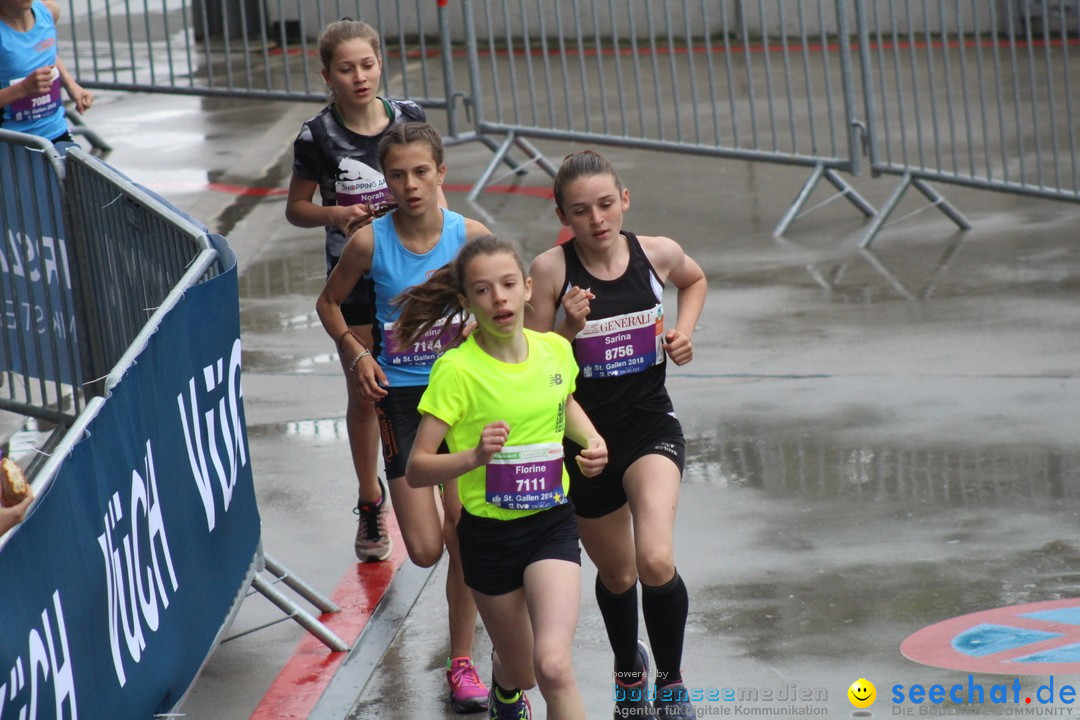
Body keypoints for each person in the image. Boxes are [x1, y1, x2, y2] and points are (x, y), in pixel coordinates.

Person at [315, 122, 491, 714]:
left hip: (462, 403)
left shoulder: (471, 239)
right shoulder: (370, 242)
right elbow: (329, 303)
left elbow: (507, 306)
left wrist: (481, 328)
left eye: (422, 172)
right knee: (423, 549)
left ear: (441, 173)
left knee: (465, 536)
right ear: (385, 180)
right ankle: (463, 568)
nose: (411, 185)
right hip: (403, 405)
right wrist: (359, 353)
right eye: (397, 175)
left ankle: (462, 661)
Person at [526, 150, 707, 719]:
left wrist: (683, 332)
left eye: (606, 204)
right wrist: (565, 327)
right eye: (581, 211)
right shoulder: (552, 271)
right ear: (563, 214)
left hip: (650, 423)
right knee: (618, 572)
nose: (597, 219)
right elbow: (529, 362)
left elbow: (695, 279)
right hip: (584, 443)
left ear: (624, 201)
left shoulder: (655, 254)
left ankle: (672, 682)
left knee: (654, 558)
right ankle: (629, 670)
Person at [403, 235, 608, 720]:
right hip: (489, 538)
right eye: (483, 290)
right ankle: (503, 680)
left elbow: (563, 402)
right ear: (466, 302)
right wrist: (473, 456)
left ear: (528, 289)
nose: (499, 298)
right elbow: (416, 469)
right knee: (526, 673)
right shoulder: (456, 371)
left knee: (554, 667)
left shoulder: (554, 351)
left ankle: (514, 680)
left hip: (551, 525)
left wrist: (593, 440)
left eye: (508, 284)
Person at [287, 19, 443, 566]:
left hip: (414, 279)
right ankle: (371, 498)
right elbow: (295, 208)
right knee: (367, 392)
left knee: (430, 377)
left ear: (381, 63)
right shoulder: (318, 136)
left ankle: (439, 476)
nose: (359, 77)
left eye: (368, 65)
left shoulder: (410, 118)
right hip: (355, 280)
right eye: (346, 68)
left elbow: (434, 181)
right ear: (326, 74)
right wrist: (336, 213)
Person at [0, 0, 93, 143]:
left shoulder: (48, 11)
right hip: (12, 143)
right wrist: (23, 88)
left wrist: (70, 84)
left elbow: (45, 52)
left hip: (57, 132)